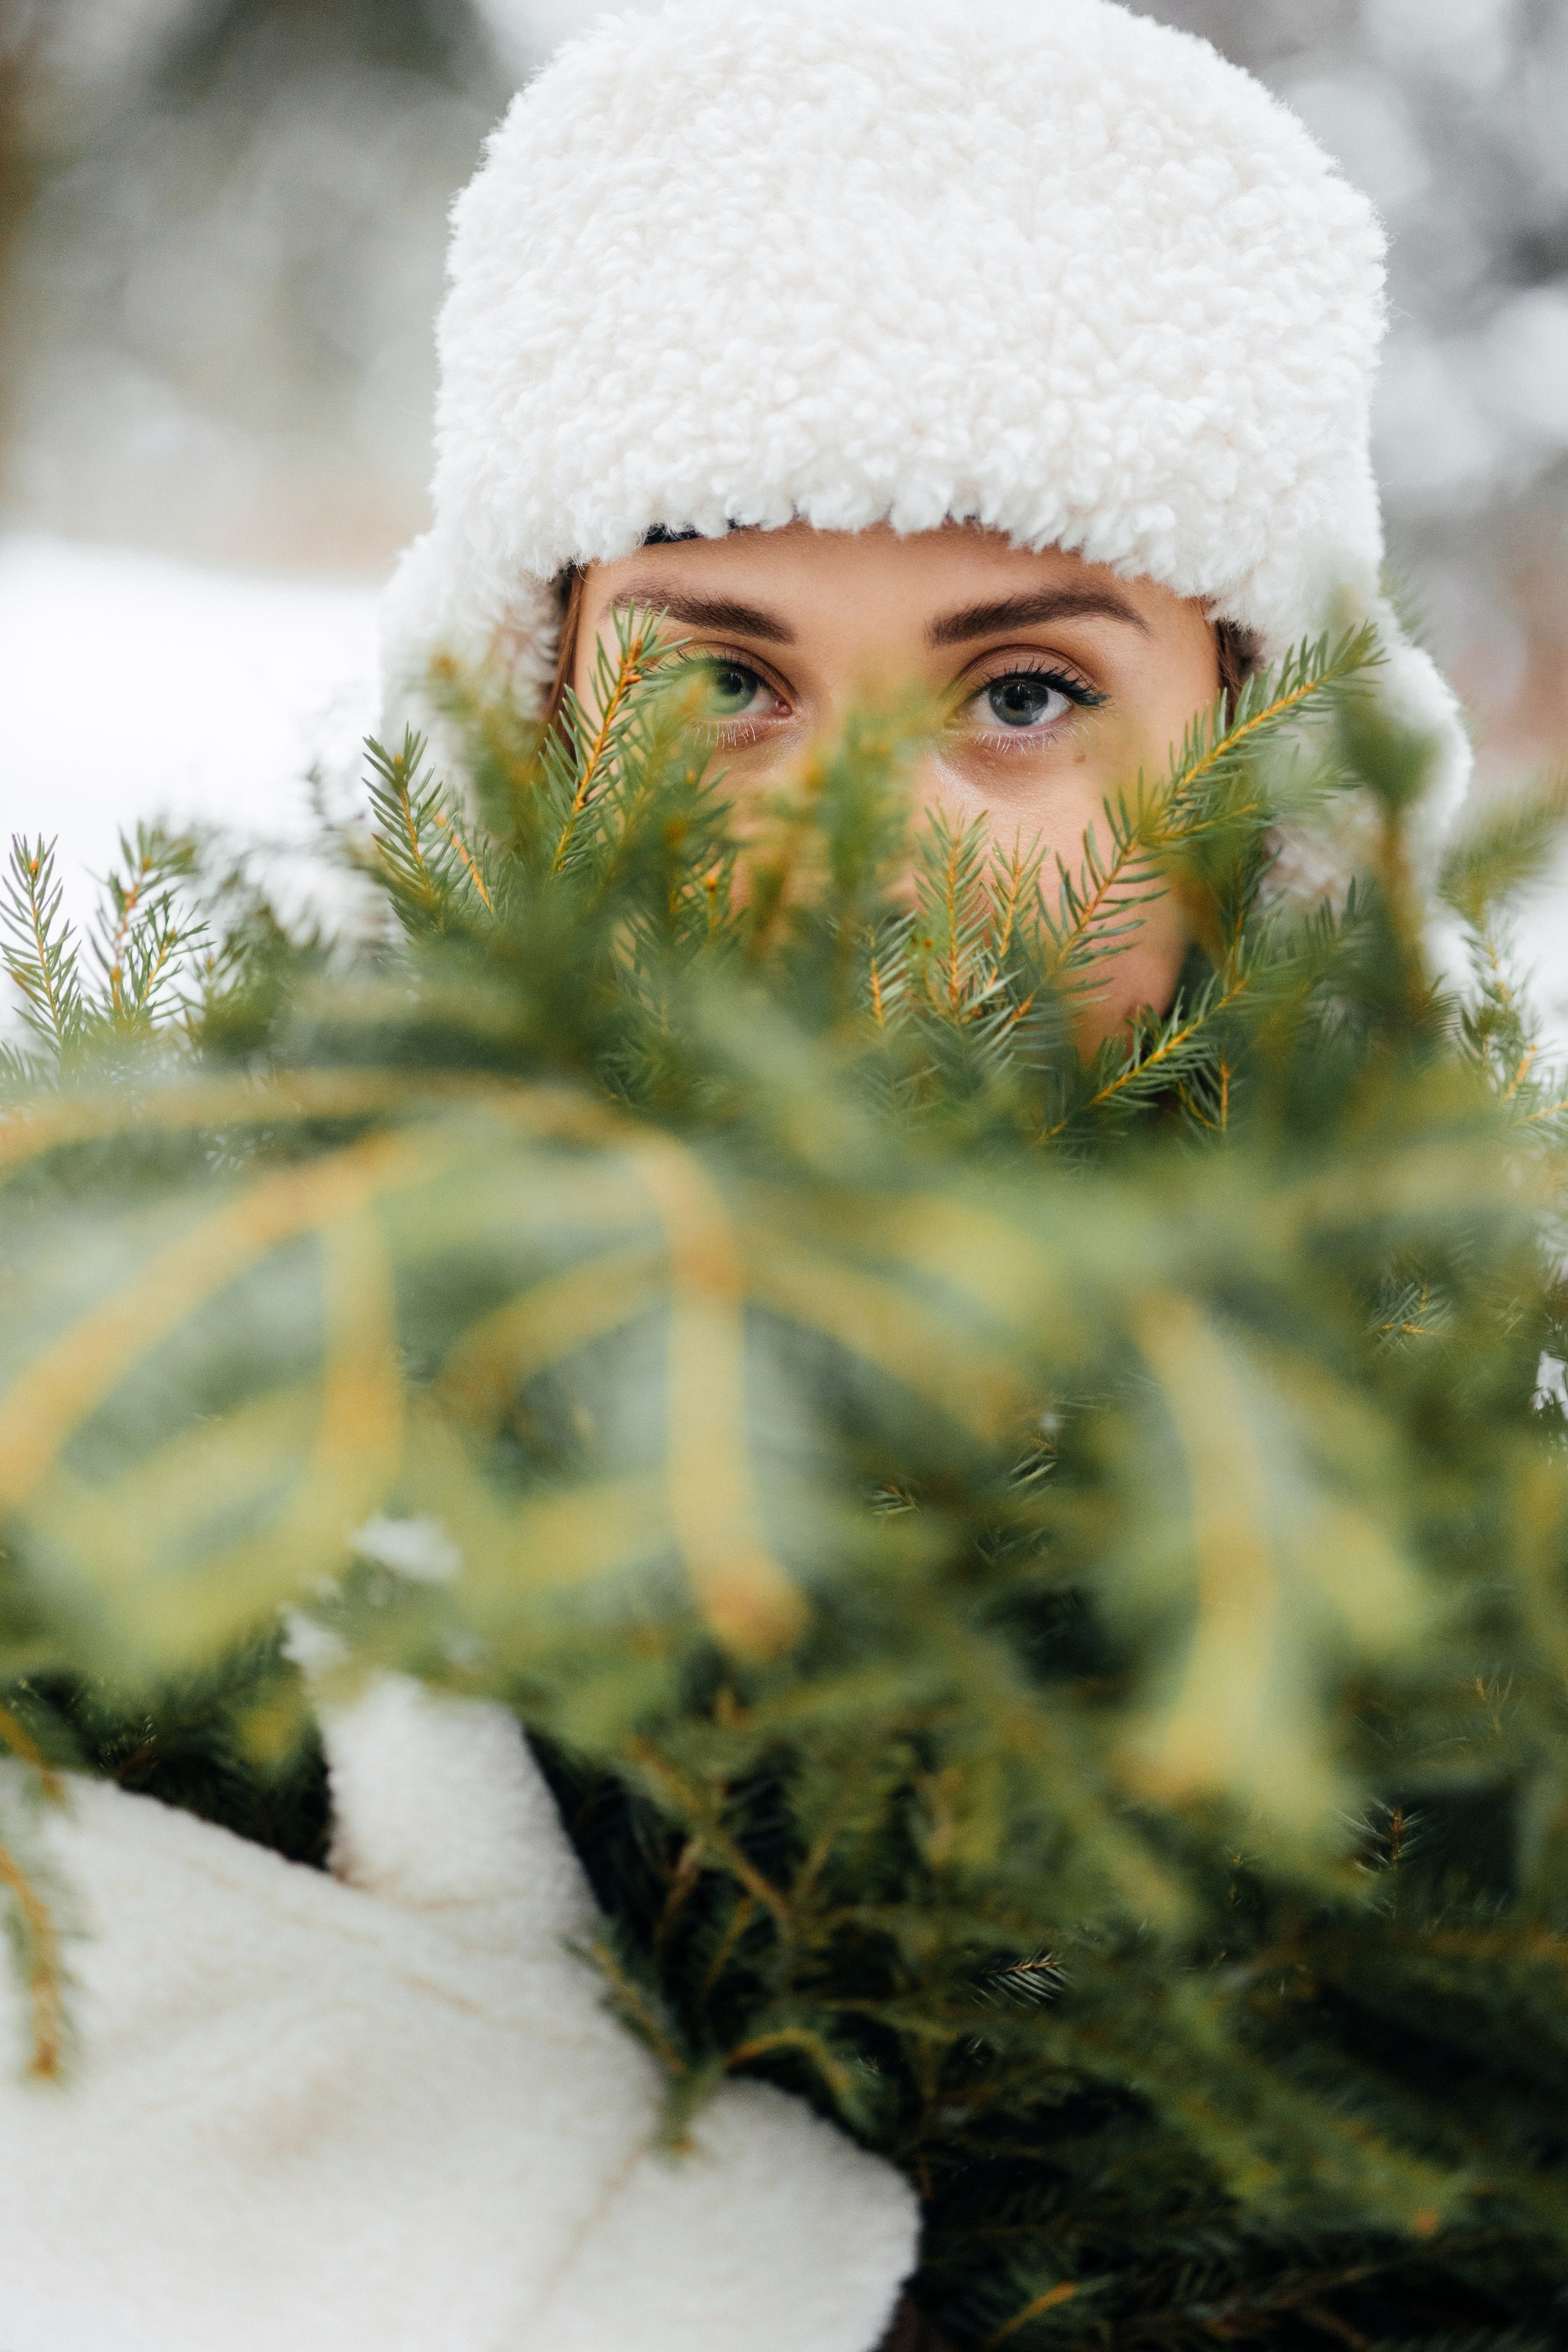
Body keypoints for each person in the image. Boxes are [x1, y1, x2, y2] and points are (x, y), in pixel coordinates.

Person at [0, 2, 1471, 2345]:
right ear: (529, 734)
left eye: (1024, 694)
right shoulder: (143, 1456)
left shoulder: (1478, 1603)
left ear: (1257, 779)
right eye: (723, 687)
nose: (856, 849)